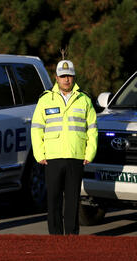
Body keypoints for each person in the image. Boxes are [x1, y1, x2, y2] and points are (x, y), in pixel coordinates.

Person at [31, 60, 98, 235]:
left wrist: (90, 153)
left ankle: (71, 237)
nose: (66, 79)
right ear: (56, 78)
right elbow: (36, 128)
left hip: (76, 156)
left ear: (73, 77)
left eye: (68, 76)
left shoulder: (84, 99)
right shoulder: (45, 99)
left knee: (73, 200)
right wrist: (39, 153)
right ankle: (55, 237)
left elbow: (92, 129)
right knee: (53, 199)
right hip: (52, 157)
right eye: (62, 76)